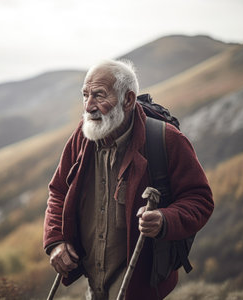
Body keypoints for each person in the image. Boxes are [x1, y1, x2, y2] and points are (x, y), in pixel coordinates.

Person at [43, 59, 214, 299]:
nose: (88, 106)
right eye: (85, 95)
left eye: (99, 96)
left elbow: (200, 199)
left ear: (128, 100)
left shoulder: (167, 140)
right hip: (94, 279)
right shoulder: (82, 137)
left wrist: (165, 219)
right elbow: (58, 191)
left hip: (141, 284)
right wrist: (56, 241)